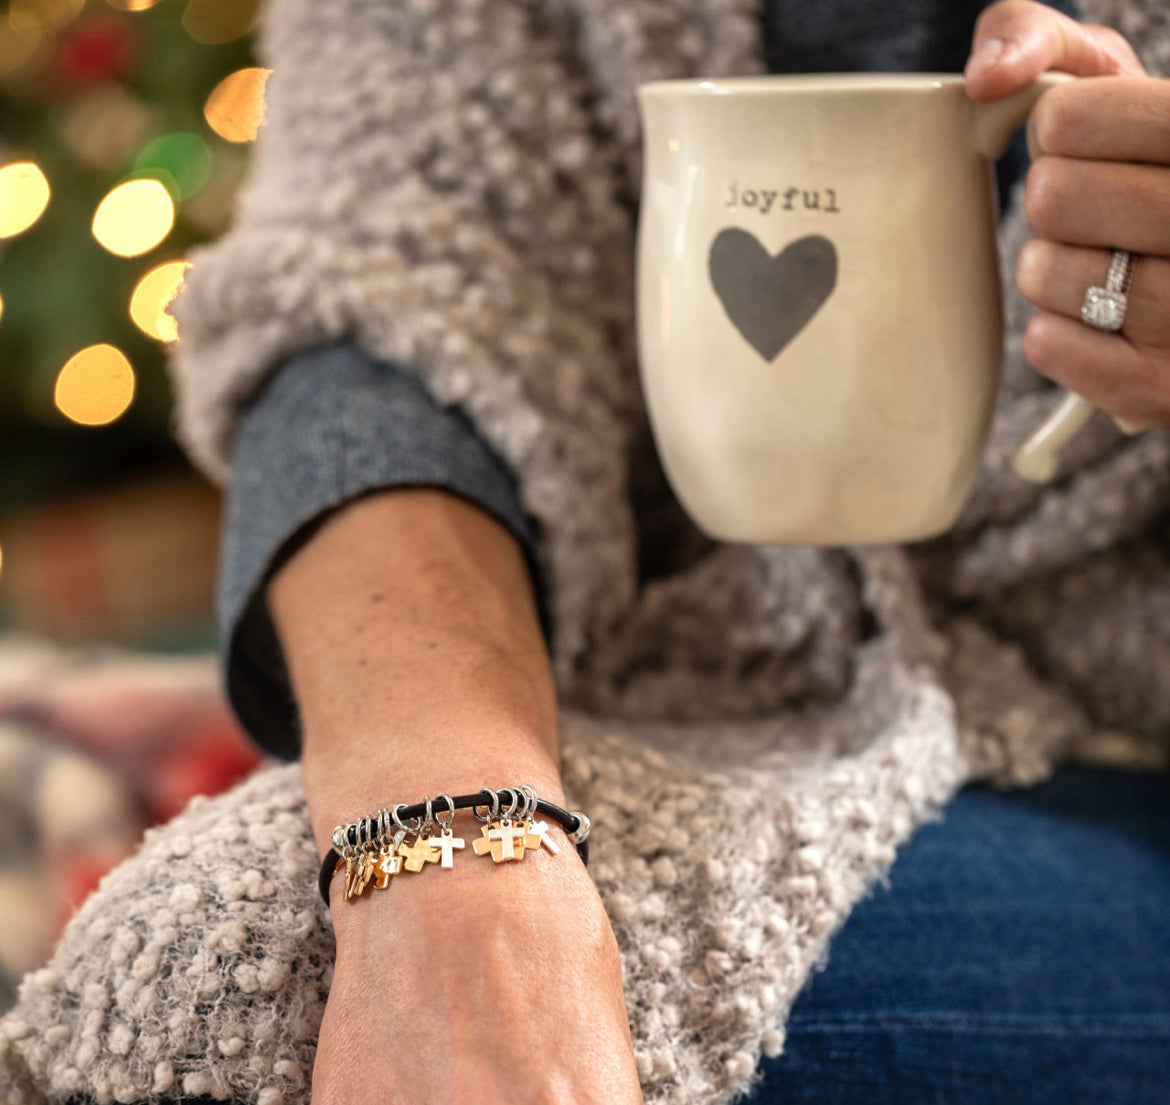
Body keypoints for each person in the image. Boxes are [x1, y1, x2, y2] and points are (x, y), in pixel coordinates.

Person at [0, 1, 1167, 1103]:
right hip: (635, 701)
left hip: (1123, 753)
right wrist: (456, 844)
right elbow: (368, 320)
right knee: (237, 955)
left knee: (233, 1014)